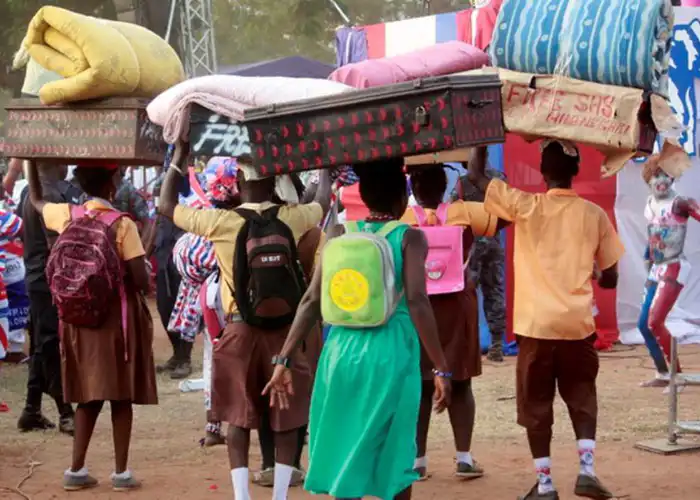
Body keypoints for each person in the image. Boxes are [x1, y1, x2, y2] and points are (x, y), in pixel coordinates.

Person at [264, 158, 451, 500]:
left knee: (344, 446)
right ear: (401, 198)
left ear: (362, 195)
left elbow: (311, 300)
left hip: (340, 352)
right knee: (396, 449)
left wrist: (283, 359)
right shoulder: (409, 238)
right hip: (391, 352)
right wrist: (441, 366)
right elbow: (417, 301)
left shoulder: (337, 234)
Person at [159, 142, 330, 500]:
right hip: (284, 331)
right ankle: (280, 495)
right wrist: (326, 162)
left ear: (238, 180)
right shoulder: (291, 217)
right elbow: (324, 203)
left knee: (238, 416)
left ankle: (241, 495)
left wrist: (178, 158)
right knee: (287, 416)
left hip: (239, 329)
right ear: (273, 181)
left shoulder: (220, 221)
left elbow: (166, 207)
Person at [468, 142, 623, 500]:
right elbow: (612, 279)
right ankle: (587, 471)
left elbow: (475, 175)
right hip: (577, 326)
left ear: (542, 171)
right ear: (576, 171)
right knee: (583, 397)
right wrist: (594, 272)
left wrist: (481, 136)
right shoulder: (595, 215)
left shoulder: (526, 205)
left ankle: (546, 485)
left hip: (535, 327)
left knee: (535, 406)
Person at [26, 161, 158, 492]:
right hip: (116, 320)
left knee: (88, 395)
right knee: (121, 395)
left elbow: (36, 200)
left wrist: (29, 160)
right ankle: (121, 474)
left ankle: (76, 470)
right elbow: (140, 280)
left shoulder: (67, 215)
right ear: (112, 184)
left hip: (78, 320)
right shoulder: (122, 224)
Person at [402, 164, 508, 481]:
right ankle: (464, 458)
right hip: (458, 305)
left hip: (417, 308)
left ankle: (418, 461)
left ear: (412, 187)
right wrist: (476, 176)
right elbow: (505, 217)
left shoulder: (403, 220)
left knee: (420, 385)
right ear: (444, 184)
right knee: (461, 382)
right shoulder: (465, 212)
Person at [17, 161, 81, 435]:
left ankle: (31, 409)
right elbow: (57, 246)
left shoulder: (29, 193)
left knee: (41, 344)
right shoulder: (51, 195)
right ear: (59, 164)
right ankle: (65, 412)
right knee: (50, 344)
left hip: (34, 276)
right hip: (47, 279)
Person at [637, 157, 699, 392]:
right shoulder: (649, 203)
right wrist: (647, 258)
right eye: (656, 175)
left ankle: (677, 376)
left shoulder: (680, 203)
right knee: (644, 324)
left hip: (674, 267)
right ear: (648, 179)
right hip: (656, 268)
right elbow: (652, 233)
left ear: (673, 177)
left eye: (666, 175)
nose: (661, 180)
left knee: (655, 321)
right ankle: (663, 373)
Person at [454, 164, 508, 362]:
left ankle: (468, 345)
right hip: (493, 242)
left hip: (472, 245)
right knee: (495, 292)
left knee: (467, 295)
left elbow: (454, 209)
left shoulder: (463, 182)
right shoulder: (500, 178)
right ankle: (497, 346)